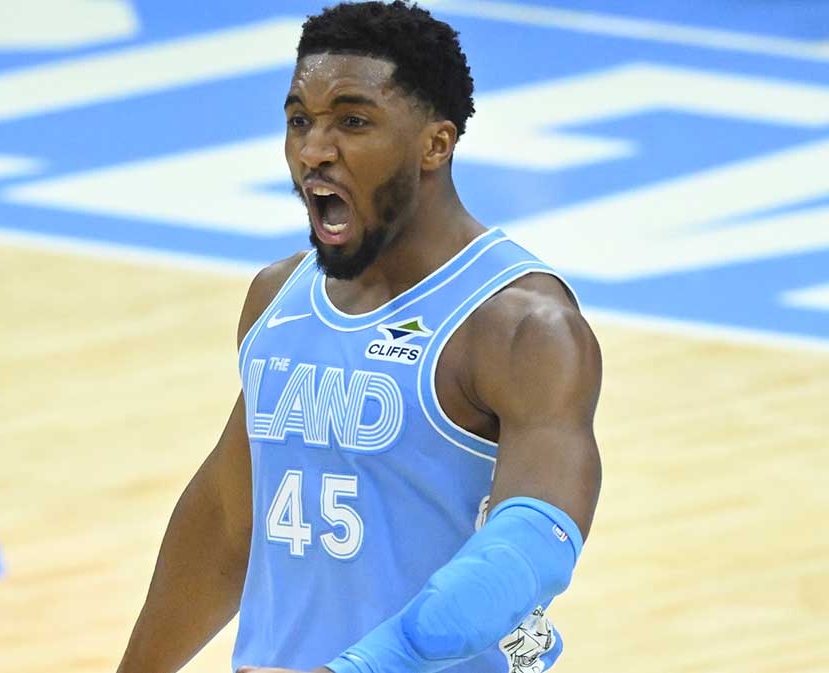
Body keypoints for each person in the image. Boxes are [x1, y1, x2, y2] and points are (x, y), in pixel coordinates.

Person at [115, 2, 602, 672]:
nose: (314, 149)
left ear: (436, 142)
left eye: (352, 120)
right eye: (299, 121)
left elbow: (527, 553)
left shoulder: (520, 325)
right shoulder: (276, 299)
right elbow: (230, 525)